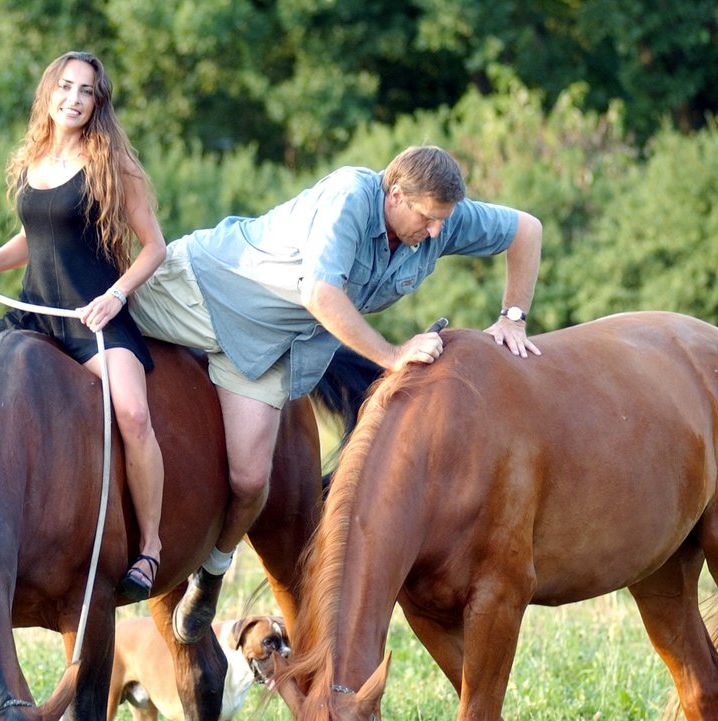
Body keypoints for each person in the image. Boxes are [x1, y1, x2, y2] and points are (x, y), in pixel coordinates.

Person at [128, 145, 543, 643]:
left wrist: (512, 316)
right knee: (97, 325)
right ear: (395, 196)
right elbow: (321, 293)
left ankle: (212, 573)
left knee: (249, 478)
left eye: (444, 220)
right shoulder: (348, 197)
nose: (437, 232)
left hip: (265, 347)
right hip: (204, 289)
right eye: (429, 219)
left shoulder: (442, 218)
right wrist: (392, 354)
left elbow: (526, 230)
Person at [0, 51, 167, 602]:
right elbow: (33, 239)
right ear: (49, 92)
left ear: (98, 103)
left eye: (86, 92)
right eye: (66, 87)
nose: (74, 99)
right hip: (34, 314)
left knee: (134, 414)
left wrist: (116, 297)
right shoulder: (34, 159)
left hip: (92, 317)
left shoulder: (113, 163)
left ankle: (150, 547)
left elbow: (154, 248)